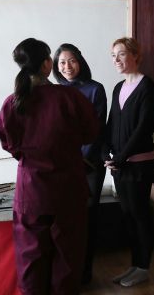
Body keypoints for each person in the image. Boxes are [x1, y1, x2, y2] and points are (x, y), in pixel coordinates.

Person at [0, 38, 98, 295]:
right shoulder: (69, 97)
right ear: (47, 64)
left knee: (31, 261)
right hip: (68, 189)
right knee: (67, 260)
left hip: (31, 191)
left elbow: (7, 142)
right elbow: (90, 133)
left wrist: (30, 157)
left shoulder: (13, 101)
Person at [104, 37, 154, 287]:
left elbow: (143, 127)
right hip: (120, 165)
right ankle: (134, 265)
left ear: (135, 55)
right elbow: (111, 124)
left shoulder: (147, 86)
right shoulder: (117, 87)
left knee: (140, 214)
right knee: (127, 215)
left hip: (139, 163)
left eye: (121, 54)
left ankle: (144, 267)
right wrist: (106, 154)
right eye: (113, 55)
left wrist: (121, 157)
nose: (116, 59)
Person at [52, 43, 107, 285]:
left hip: (89, 166)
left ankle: (85, 273)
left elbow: (96, 129)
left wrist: (80, 159)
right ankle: (66, 273)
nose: (67, 67)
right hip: (62, 168)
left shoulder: (95, 89)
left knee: (87, 218)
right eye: (62, 62)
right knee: (65, 221)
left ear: (81, 61)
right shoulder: (53, 91)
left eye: (71, 61)